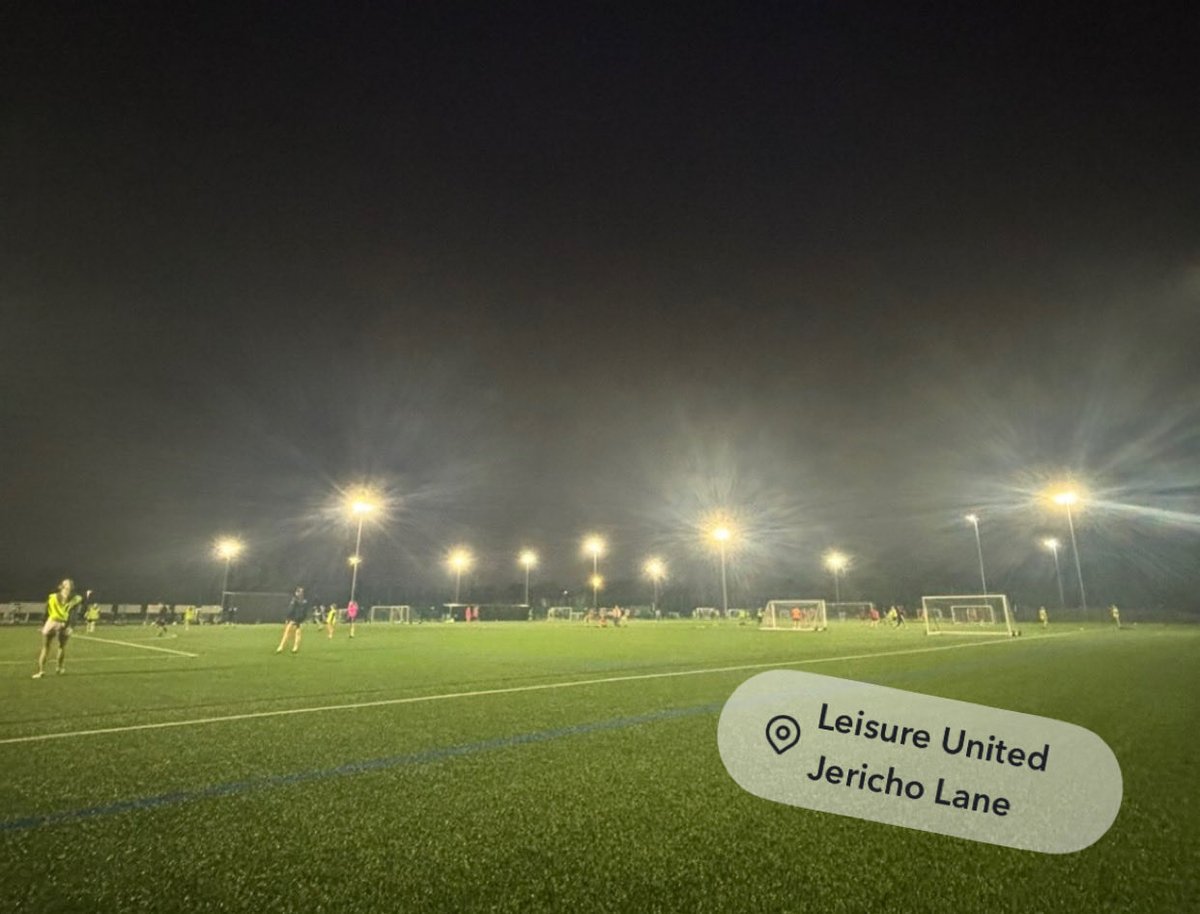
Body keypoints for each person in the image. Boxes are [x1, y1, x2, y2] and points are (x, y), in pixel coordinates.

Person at [33, 578, 83, 678]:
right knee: (61, 646)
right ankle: (58, 669)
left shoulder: (52, 597)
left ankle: (41, 671)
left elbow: (46, 611)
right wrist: (71, 626)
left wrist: (43, 624)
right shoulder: (76, 598)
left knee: (46, 647)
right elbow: (74, 614)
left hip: (52, 622)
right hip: (64, 623)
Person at [277, 586, 308, 654]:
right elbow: (305, 612)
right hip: (300, 618)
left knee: (287, 632)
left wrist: (288, 618)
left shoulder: (294, 600)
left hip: (294, 618)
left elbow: (291, 609)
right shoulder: (305, 601)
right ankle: (295, 647)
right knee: (297, 633)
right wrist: (304, 618)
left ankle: (281, 647)